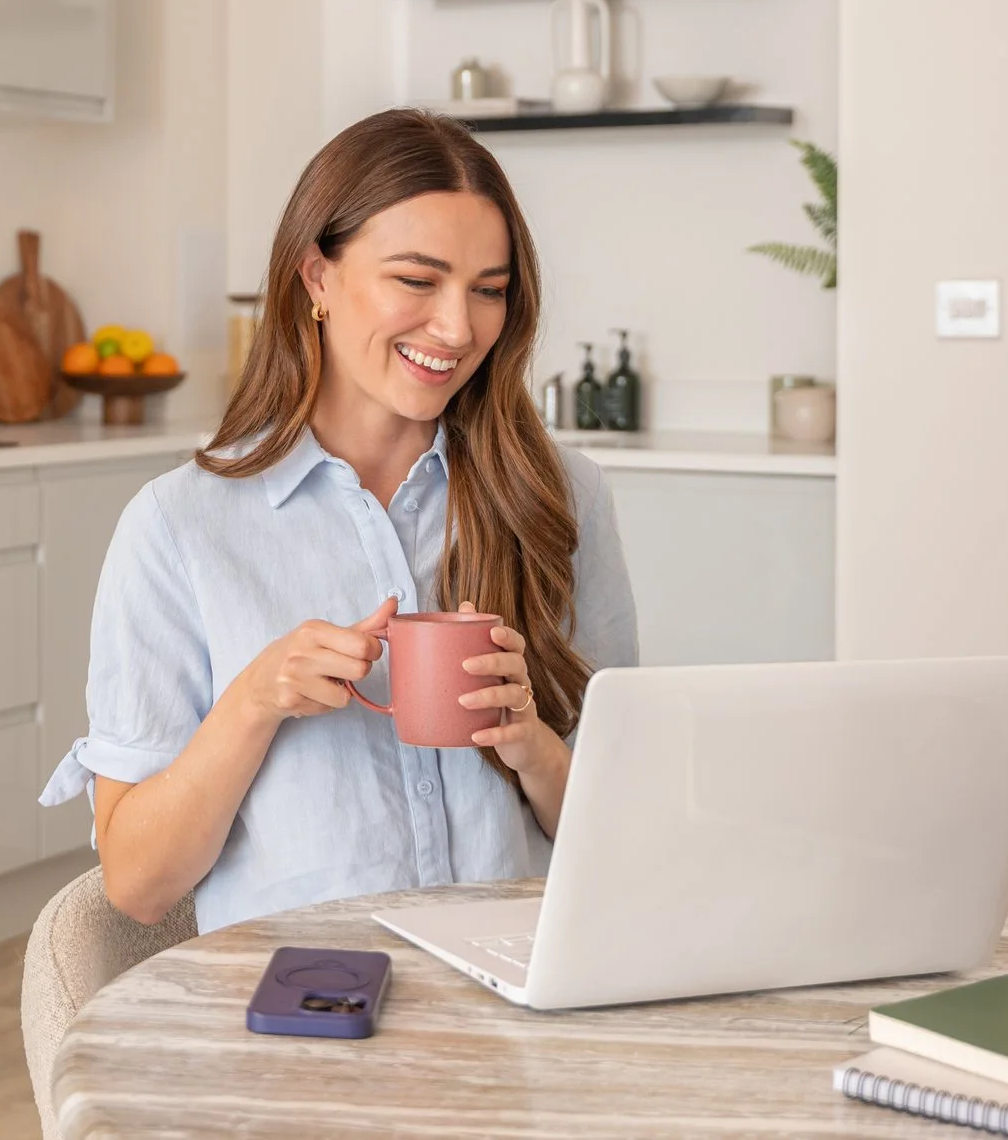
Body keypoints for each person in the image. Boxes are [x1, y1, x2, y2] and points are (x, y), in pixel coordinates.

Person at [40, 108, 638, 932]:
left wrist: (531, 742)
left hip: (511, 1003)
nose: (459, 328)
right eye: (417, 280)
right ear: (316, 278)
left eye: (489, 290)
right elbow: (138, 884)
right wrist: (255, 700)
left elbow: (625, 842)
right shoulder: (180, 528)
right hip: (303, 1015)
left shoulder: (559, 498)